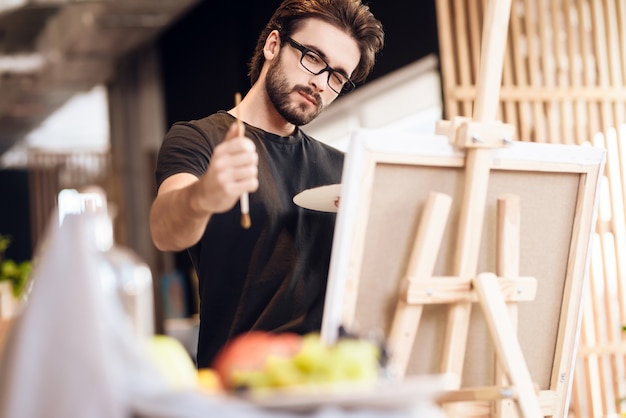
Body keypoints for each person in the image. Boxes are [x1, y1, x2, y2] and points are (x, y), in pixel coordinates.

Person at [149, 0, 384, 369]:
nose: (319, 83)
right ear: (273, 45)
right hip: (238, 384)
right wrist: (204, 195)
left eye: (336, 76)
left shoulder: (344, 169)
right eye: (313, 58)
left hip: (327, 380)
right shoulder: (201, 140)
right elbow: (166, 231)